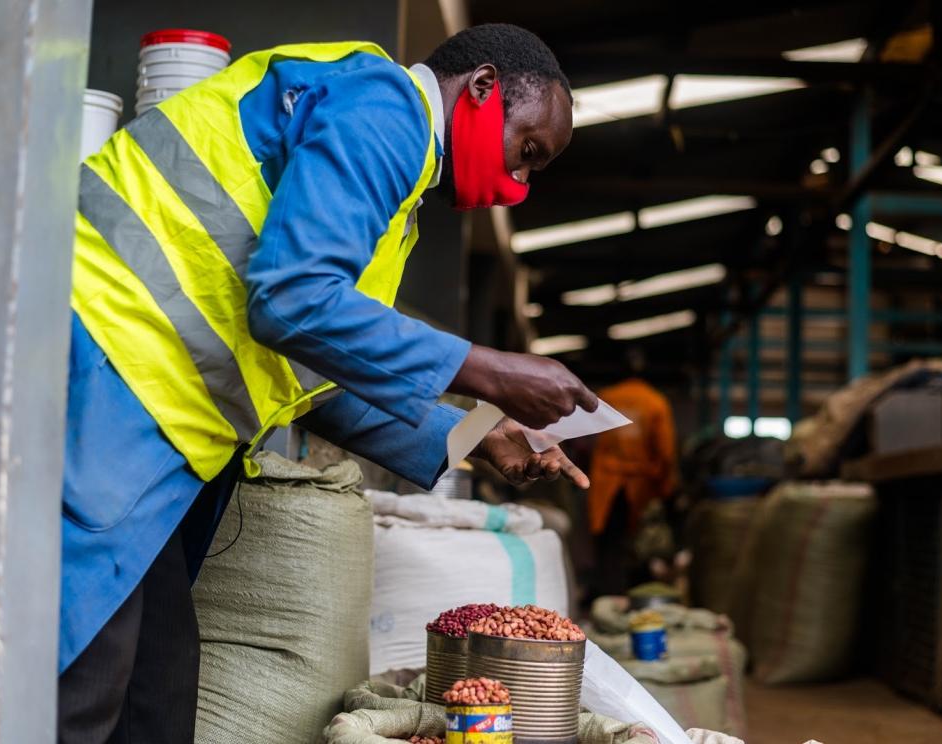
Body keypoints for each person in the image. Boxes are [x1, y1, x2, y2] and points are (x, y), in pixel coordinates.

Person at [59, 24, 597, 743]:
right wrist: (490, 368)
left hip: (159, 420)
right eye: (526, 151)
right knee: (83, 682)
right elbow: (292, 301)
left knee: (158, 688)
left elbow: (315, 368)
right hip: (106, 378)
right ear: (481, 88)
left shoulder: (393, 200)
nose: (519, 184)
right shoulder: (383, 109)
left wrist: (477, 431)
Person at [587, 347, 678, 598]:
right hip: (640, 486)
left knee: (608, 543)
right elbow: (666, 452)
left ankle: (608, 595)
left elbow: (586, 439)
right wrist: (666, 489)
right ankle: (636, 595)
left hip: (606, 482)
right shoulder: (655, 402)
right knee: (639, 544)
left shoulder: (605, 398)